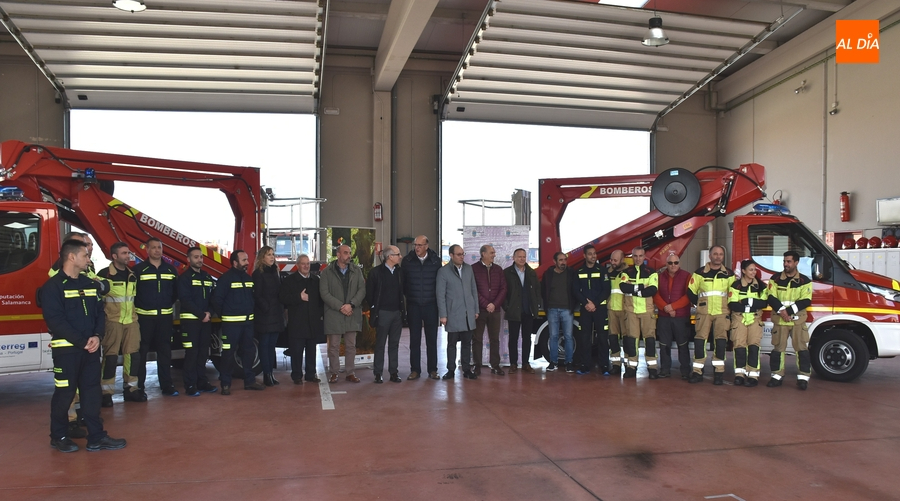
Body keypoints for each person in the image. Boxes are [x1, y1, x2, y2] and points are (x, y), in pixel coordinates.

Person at [41, 238, 126, 453]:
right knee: (65, 393)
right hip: (67, 350)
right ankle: (59, 436)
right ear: (71, 257)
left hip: (90, 348)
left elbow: (99, 313)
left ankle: (96, 437)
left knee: (92, 392)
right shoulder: (52, 287)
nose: (89, 259)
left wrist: (97, 336)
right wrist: (82, 341)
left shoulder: (89, 284)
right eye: (85, 255)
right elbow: (56, 321)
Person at [96, 242, 145, 406]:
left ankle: (131, 389)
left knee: (133, 356)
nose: (128, 256)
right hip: (112, 322)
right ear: (114, 256)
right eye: (124, 253)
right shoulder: (104, 275)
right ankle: (106, 393)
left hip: (131, 321)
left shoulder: (132, 275)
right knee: (110, 359)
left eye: (128, 253)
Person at [211, 250, 266, 394]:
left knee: (249, 352)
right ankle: (225, 384)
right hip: (231, 326)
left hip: (248, 325)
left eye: (247, 259)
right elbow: (217, 300)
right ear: (235, 263)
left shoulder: (248, 279)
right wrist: (226, 315)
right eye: (244, 260)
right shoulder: (225, 279)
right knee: (228, 354)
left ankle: (250, 381)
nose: (247, 262)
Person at [133, 237, 180, 396]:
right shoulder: (139, 270)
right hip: (144, 319)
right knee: (141, 353)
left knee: (165, 352)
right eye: (153, 247)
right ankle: (139, 387)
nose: (157, 250)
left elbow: (175, 293)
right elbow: (134, 294)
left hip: (165, 319)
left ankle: (167, 386)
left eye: (159, 247)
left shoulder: (170, 270)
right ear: (147, 250)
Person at [687, 245, 735, 385]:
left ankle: (719, 372)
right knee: (700, 341)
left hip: (722, 313)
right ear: (709, 256)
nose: (718, 256)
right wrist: (699, 305)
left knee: (720, 342)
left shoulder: (729, 274)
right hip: (704, 313)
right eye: (715, 254)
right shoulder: (699, 273)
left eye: (720, 254)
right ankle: (697, 371)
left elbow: (733, 294)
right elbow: (691, 291)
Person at [766, 251, 813, 390]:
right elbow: (771, 297)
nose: (785, 264)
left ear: (796, 263)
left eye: (789, 261)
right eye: (784, 261)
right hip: (780, 320)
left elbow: (806, 300)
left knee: (802, 349)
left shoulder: (805, 281)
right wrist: (782, 310)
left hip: (797, 321)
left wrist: (788, 311)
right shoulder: (775, 279)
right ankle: (776, 376)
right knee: (778, 349)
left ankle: (803, 378)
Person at [320, 244, 366, 383]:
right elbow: (324, 293)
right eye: (345, 253)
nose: (349, 255)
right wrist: (341, 307)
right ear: (338, 255)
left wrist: (351, 305)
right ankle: (334, 373)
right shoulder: (327, 272)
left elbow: (362, 290)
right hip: (334, 314)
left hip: (352, 312)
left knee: (351, 346)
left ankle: (350, 372)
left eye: (350, 252)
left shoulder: (356, 271)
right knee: (333, 346)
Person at [177, 246, 218, 396]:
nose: (199, 260)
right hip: (191, 322)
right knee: (192, 353)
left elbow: (213, 298)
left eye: (201, 257)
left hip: (205, 321)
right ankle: (190, 385)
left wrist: (210, 313)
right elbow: (185, 300)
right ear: (188, 259)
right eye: (196, 257)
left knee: (203, 353)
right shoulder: (184, 278)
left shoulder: (207, 277)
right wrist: (201, 314)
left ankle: (202, 381)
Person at [401, 235, 442, 380]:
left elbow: (440, 283)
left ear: (426, 246)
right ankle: (415, 370)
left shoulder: (435, 261)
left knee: (432, 339)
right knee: (414, 340)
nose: (417, 248)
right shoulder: (407, 261)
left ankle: (433, 370)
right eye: (415, 245)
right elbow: (403, 284)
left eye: (420, 245)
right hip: (414, 305)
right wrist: (411, 297)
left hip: (431, 305)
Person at [279, 254, 324, 384]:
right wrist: (299, 297)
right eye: (303, 264)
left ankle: (311, 374)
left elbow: (321, 301)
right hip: (297, 323)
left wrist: (319, 314)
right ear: (297, 265)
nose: (306, 266)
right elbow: (283, 298)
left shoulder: (316, 280)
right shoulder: (289, 281)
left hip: (312, 322)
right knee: (297, 351)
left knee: (311, 350)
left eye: (308, 264)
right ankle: (297, 376)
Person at [437, 244, 479, 380]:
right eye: (459, 254)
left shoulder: (469, 269)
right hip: (453, 313)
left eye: (463, 254)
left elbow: (474, 290)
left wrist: (476, 309)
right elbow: (440, 295)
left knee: (467, 343)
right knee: (452, 344)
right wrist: (443, 315)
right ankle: (450, 370)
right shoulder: (443, 271)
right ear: (451, 255)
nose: (462, 257)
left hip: (468, 313)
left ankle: (466, 369)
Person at [366, 245, 405, 383]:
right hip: (382, 313)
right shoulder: (376, 273)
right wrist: (374, 308)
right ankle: (378, 373)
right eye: (398, 254)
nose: (400, 256)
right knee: (380, 344)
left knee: (394, 344)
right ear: (390, 257)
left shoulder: (400, 272)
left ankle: (393, 372)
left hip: (397, 314)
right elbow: (369, 294)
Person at [619, 247, 659, 379]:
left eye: (640, 256)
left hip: (647, 311)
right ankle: (631, 367)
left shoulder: (652, 272)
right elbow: (623, 287)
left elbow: (652, 290)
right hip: (631, 311)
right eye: (635, 256)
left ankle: (652, 368)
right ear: (632, 257)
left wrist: (633, 289)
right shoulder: (626, 272)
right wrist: (642, 287)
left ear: (644, 257)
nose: (637, 259)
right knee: (632, 340)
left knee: (650, 339)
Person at [728, 259, 768, 387]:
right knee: (739, 346)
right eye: (751, 270)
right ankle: (739, 375)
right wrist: (751, 305)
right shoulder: (736, 286)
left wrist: (746, 301)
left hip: (755, 319)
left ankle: (753, 375)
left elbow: (763, 303)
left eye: (755, 270)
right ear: (744, 271)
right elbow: (733, 304)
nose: (753, 272)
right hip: (739, 318)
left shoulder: (761, 286)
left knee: (754, 347)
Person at [573, 245, 611, 375]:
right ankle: (585, 365)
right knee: (584, 338)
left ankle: (604, 365)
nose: (593, 256)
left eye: (594, 254)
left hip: (600, 309)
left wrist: (594, 303)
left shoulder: (602, 271)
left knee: (602, 338)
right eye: (590, 254)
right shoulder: (579, 271)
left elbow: (606, 290)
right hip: (586, 310)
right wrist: (586, 303)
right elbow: (576, 290)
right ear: (584, 256)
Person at [654, 252, 692, 379]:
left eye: (676, 262)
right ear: (666, 264)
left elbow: (688, 296)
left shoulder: (687, 276)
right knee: (664, 344)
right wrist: (666, 308)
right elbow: (655, 295)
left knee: (683, 344)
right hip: (664, 316)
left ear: (679, 263)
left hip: (681, 316)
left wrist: (673, 307)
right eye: (670, 263)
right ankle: (665, 370)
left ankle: (685, 371)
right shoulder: (659, 277)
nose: (673, 265)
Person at [503, 248, 541, 374]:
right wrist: (507, 307)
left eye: (524, 256)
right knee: (513, 338)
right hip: (514, 311)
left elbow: (537, 290)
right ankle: (513, 364)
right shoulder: (507, 273)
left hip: (528, 311)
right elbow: (503, 293)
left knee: (526, 338)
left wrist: (536, 305)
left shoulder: (531, 272)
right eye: (519, 256)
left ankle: (525, 363)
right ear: (513, 258)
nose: (522, 259)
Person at [471, 244, 508, 375]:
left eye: (494, 252)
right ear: (483, 254)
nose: (494, 255)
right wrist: (486, 304)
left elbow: (503, 289)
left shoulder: (498, 269)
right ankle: (477, 365)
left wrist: (494, 304)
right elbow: (473, 289)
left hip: (495, 310)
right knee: (477, 339)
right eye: (491, 253)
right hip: (480, 310)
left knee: (494, 339)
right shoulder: (473, 269)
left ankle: (495, 365)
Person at [252, 245, 284, 387]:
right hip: (265, 316)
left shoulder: (276, 272)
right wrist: (267, 308)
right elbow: (257, 296)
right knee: (264, 346)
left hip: (276, 314)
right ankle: (266, 374)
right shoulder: (258, 274)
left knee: (271, 346)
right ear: (262, 257)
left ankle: (270, 373)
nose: (272, 257)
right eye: (268, 254)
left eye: (273, 254)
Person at [541, 251, 577, 373]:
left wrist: (574, 305)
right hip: (552, 310)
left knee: (568, 337)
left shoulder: (571, 273)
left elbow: (576, 290)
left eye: (564, 260)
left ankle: (569, 363)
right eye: (560, 260)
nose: (563, 262)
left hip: (567, 310)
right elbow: (543, 290)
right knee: (553, 337)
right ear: (554, 261)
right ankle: (553, 362)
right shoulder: (548, 274)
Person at [606, 249, 628, 375]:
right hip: (611, 310)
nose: (613, 262)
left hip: (624, 310)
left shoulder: (628, 273)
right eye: (611, 260)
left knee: (626, 340)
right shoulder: (607, 273)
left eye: (615, 260)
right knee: (613, 339)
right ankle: (616, 365)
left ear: (622, 260)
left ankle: (628, 365)